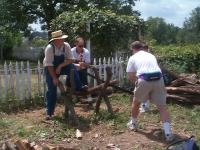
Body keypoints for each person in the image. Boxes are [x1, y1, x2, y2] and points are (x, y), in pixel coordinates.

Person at [126, 41, 174, 141]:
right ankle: (168, 133)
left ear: (133, 49)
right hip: (159, 78)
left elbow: (130, 76)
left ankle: (133, 123)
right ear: (142, 47)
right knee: (162, 107)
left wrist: (137, 83)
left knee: (136, 103)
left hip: (144, 79)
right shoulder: (151, 55)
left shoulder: (133, 57)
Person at [43, 30, 86, 120]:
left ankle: (79, 87)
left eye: (62, 39)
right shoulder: (50, 48)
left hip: (61, 66)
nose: (62, 40)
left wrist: (60, 66)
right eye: (60, 39)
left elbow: (70, 60)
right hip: (50, 69)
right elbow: (49, 65)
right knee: (52, 89)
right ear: (55, 40)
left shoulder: (66, 46)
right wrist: (54, 78)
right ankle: (49, 113)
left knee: (72, 67)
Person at [71, 37, 93, 103]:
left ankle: (89, 97)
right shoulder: (72, 51)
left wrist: (83, 64)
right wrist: (78, 65)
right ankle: (74, 98)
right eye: (80, 46)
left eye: (82, 46)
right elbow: (69, 63)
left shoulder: (86, 52)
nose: (81, 47)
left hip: (82, 70)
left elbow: (88, 64)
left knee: (85, 84)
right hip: (74, 70)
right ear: (75, 44)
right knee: (71, 84)